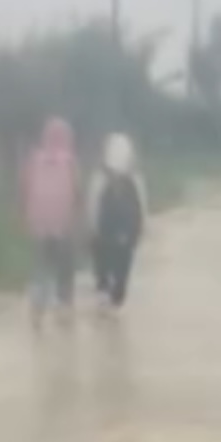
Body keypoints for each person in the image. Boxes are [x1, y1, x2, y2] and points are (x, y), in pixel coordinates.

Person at [21, 116, 81, 328]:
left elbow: (25, 187)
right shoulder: (70, 160)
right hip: (63, 220)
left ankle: (37, 306)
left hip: (39, 220)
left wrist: (26, 214)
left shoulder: (35, 159)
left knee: (41, 265)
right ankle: (63, 305)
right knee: (64, 265)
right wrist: (78, 215)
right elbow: (77, 190)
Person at [87, 132, 147, 312]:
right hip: (127, 233)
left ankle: (103, 291)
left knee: (102, 262)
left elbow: (92, 205)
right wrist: (141, 229)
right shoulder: (135, 178)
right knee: (123, 264)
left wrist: (92, 228)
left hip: (104, 231)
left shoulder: (100, 177)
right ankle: (116, 297)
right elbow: (142, 206)